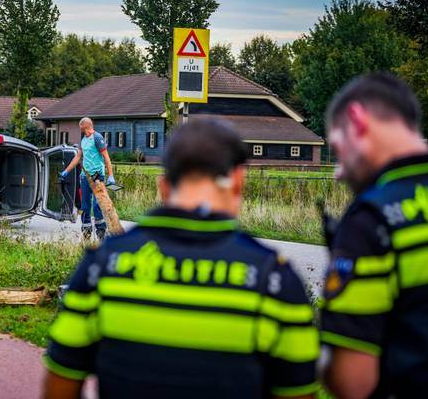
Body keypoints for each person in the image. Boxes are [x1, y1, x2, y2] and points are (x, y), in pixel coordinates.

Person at [43, 119, 319, 399]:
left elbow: (59, 385)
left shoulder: (99, 268)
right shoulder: (276, 281)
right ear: (238, 181)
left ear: (164, 186)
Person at [321, 73, 428, 398]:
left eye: (337, 148)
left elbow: (353, 383)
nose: (338, 171)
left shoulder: (372, 220)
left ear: (358, 120)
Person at [60, 117, 116, 240]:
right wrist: (66, 171)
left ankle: (101, 232)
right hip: (85, 177)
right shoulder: (83, 139)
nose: (79, 129)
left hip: (97, 176)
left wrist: (110, 175)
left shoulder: (97, 138)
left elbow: (106, 157)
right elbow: (78, 157)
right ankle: (86, 233)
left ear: (84, 126)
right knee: (85, 206)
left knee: (97, 205)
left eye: (80, 126)